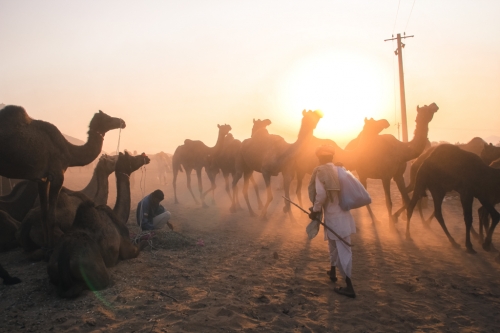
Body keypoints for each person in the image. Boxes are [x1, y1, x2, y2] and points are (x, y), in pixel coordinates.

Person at [308, 145, 357, 298]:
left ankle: (349, 287)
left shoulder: (321, 172)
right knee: (333, 244)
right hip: (344, 215)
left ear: (320, 158)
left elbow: (321, 195)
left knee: (342, 249)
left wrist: (315, 210)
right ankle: (333, 272)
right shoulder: (341, 170)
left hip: (334, 217)